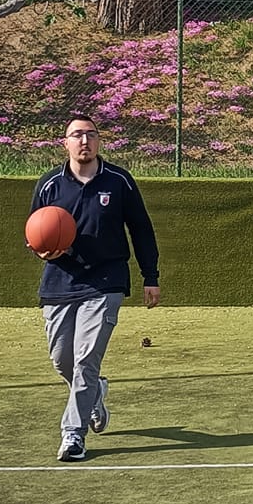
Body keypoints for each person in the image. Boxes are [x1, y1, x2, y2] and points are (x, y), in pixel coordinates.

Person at [29, 115, 159, 463]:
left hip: (106, 281)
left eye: (90, 134)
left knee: (86, 359)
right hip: (59, 282)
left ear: (99, 141)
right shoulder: (49, 184)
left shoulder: (119, 181)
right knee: (62, 361)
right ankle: (95, 392)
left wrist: (150, 276)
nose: (84, 141)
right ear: (65, 143)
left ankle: (73, 434)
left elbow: (141, 229)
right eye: (76, 135)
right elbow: (35, 231)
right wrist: (41, 249)